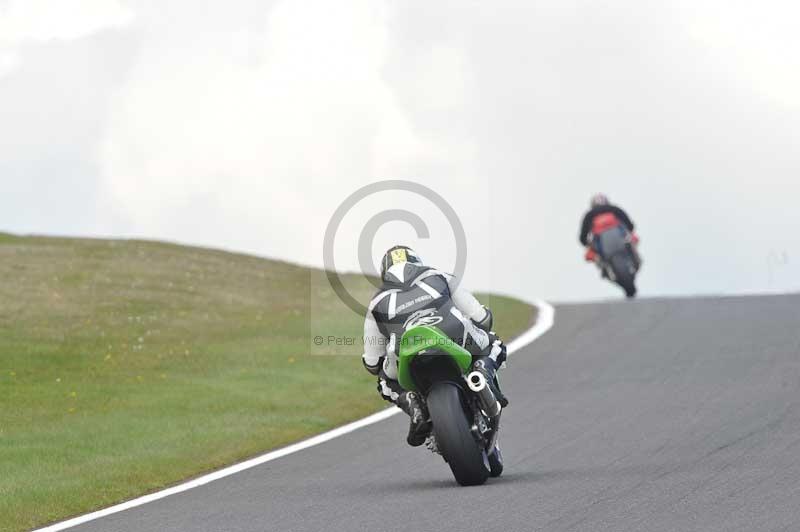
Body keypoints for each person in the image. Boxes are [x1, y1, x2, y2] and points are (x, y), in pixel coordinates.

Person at [361, 245, 507, 447]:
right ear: (416, 261)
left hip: (406, 349)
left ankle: (412, 403)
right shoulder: (439, 275)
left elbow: (373, 362)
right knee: (493, 342)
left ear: (384, 272)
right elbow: (481, 318)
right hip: (454, 332)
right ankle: (482, 373)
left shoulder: (376, 301)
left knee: (385, 381)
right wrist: (483, 318)